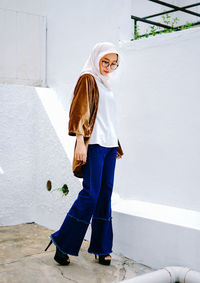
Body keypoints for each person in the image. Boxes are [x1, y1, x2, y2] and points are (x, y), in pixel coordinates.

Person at [44, 42, 124, 266]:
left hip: (108, 146)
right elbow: (79, 110)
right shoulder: (88, 78)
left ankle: (101, 247)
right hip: (94, 144)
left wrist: (115, 144)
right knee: (91, 193)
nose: (109, 67)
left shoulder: (105, 84)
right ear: (96, 58)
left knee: (105, 193)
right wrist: (80, 141)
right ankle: (63, 242)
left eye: (113, 64)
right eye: (105, 62)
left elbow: (105, 118)